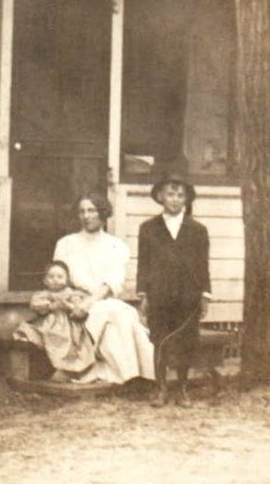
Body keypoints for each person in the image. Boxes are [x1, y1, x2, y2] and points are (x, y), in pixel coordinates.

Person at [53, 194, 155, 384]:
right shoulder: (66, 244)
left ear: (103, 213)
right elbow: (60, 280)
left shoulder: (116, 245)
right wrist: (77, 302)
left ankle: (127, 375)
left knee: (115, 314)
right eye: (82, 211)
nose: (86, 216)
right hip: (75, 302)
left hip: (102, 300)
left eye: (92, 210)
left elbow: (113, 281)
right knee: (122, 315)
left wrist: (91, 302)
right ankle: (138, 375)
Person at [137, 157, 212, 407]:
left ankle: (181, 388)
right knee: (160, 340)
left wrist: (204, 295)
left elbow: (203, 265)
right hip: (159, 294)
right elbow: (144, 264)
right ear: (160, 196)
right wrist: (144, 295)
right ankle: (161, 388)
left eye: (181, 195)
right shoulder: (148, 228)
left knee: (186, 342)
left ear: (187, 199)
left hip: (187, 296)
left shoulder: (197, 230)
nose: (175, 199)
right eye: (170, 194)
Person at [14, 259, 98, 380]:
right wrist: (51, 306)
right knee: (45, 334)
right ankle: (57, 368)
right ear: (45, 280)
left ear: (67, 279)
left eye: (60, 276)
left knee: (72, 342)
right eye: (51, 277)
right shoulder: (45, 294)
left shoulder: (72, 294)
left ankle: (66, 370)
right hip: (49, 323)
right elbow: (36, 305)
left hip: (69, 325)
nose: (55, 280)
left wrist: (69, 306)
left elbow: (80, 310)